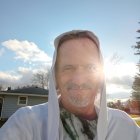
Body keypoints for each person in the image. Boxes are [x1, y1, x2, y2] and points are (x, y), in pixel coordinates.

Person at [0, 30, 139, 140]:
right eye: (68, 68)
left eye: (90, 67)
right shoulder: (26, 123)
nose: (79, 80)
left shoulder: (124, 126)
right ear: (55, 76)